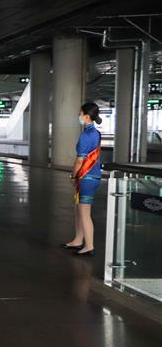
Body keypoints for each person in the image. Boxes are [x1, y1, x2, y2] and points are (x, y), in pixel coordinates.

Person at [62, 102, 103, 256]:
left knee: (84, 213)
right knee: (79, 210)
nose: (78, 116)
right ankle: (78, 240)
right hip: (93, 176)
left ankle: (89, 246)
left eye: (80, 114)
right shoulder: (96, 133)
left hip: (86, 177)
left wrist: (73, 175)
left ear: (86, 116)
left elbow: (80, 160)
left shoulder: (86, 135)